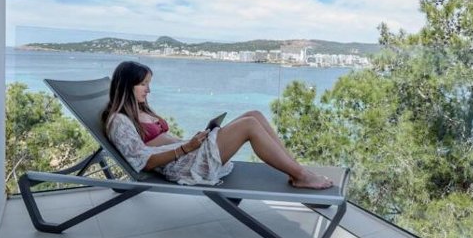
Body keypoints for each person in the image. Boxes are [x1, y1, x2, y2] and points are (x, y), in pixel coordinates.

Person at [101, 61, 333, 189]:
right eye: (143, 84)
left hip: (187, 152)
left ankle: (295, 169)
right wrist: (186, 148)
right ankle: (301, 175)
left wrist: (191, 142)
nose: (149, 89)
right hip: (181, 165)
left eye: (148, 83)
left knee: (254, 114)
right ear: (127, 85)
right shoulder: (118, 122)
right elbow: (143, 162)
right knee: (249, 125)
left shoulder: (141, 109)